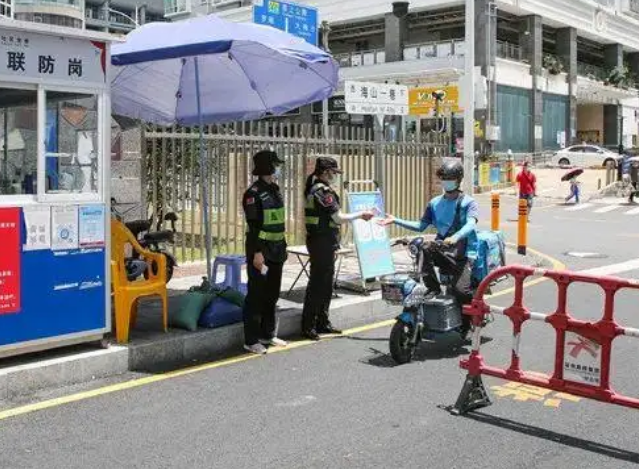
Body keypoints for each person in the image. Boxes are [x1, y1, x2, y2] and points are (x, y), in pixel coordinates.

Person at [379, 159, 479, 338]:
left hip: (462, 254)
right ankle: (433, 288)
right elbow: (420, 226)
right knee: (423, 248)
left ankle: (467, 320)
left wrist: (455, 237)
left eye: (450, 178)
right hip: (443, 249)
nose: (446, 182)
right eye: (443, 178)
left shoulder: (467, 203)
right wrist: (396, 220)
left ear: (458, 180)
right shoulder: (434, 203)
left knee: (460, 291)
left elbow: (471, 224)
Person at [301, 157, 375, 341]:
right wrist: (361, 215)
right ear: (325, 172)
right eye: (333, 172)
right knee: (318, 284)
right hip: (320, 242)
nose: (335, 176)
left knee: (326, 284)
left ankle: (322, 322)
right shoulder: (321, 191)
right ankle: (308, 325)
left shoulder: (319, 189)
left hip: (325, 241)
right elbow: (337, 218)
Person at [241, 150, 288, 355]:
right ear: (266, 167)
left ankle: (267, 334)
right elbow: (253, 227)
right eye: (275, 165)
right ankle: (251, 340)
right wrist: (257, 253)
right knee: (256, 296)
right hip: (261, 251)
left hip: (277, 249)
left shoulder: (274, 189)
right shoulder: (253, 193)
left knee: (272, 294)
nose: (278, 168)